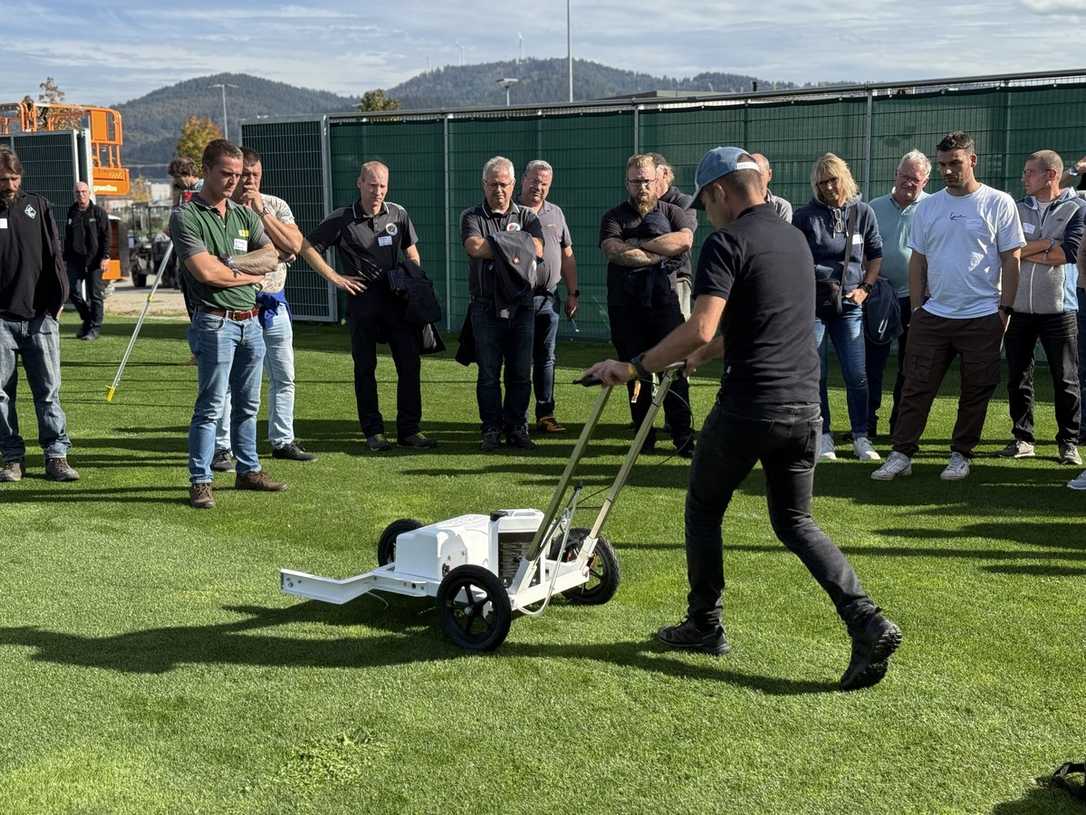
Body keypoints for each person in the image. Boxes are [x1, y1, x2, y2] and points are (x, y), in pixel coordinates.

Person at [582, 146, 901, 691]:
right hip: (803, 406)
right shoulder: (794, 238)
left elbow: (702, 325)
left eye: (706, 203)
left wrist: (634, 365)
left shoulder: (726, 242)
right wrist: (700, 356)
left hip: (751, 402)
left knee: (704, 507)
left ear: (721, 193)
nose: (707, 213)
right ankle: (867, 619)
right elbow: (755, 322)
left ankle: (705, 623)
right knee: (796, 522)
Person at [871, 131, 1024, 482]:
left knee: (976, 390)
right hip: (933, 315)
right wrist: (917, 310)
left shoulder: (999, 202)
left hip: (983, 315)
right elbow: (917, 262)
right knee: (915, 386)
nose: (948, 171)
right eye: (942, 165)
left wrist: (1006, 310)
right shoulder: (929, 206)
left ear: (972, 160)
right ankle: (901, 454)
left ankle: (960, 455)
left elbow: (1011, 259)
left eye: (954, 163)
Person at [169, 139, 286, 509]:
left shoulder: (244, 215)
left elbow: (271, 257)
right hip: (214, 322)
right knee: (211, 405)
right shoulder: (186, 216)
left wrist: (232, 264)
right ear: (206, 170)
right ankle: (201, 480)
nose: (234, 181)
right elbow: (204, 272)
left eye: (238, 175)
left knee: (248, 404)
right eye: (226, 174)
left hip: (251, 322)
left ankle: (248, 469)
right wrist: (246, 274)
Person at [302, 161, 436, 452]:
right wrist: (335, 277)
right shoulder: (341, 218)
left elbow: (412, 251)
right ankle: (373, 432)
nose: (378, 191)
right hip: (362, 303)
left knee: (410, 366)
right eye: (372, 185)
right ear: (359, 184)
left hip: (399, 304)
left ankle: (409, 431)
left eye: (383, 186)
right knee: (365, 368)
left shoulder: (398, 213)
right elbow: (307, 246)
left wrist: (410, 275)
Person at [209, 148, 316, 467]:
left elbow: (294, 245)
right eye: (245, 175)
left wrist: (262, 212)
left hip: (274, 304)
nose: (250, 181)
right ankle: (221, 446)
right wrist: (273, 254)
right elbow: (221, 260)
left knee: (284, 375)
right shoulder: (222, 211)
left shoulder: (276, 206)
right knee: (229, 381)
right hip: (236, 305)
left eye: (256, 175)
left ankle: (282, 439)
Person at [599, 154, 695, 456]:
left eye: (647, 180)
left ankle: (683, 439)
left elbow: (683, 241)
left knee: (674, 372)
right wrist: (656, 252)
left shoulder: (674, 211)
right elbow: (613, 250)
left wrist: (637, 245)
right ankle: (644, 439)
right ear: (627, 183)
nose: (642, 186)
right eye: (636, 181)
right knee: (634, 373)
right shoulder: (614, 217)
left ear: (658, 180)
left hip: (664, 305)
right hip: (626, 308)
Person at [792, 153, 884, 462]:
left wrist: (865, 289)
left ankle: (861, 436)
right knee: (815, 373)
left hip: (851, 303)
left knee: (856, 373)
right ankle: (824, 436)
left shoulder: (864, 212)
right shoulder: (804, 216)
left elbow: (875, 255)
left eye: (833, 180)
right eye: (822, 183)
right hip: (815, 304)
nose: (829, 187)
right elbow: (797, 260)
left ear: (843, 177)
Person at [0, 148, 80, 483]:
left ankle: (56, 455)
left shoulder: (38, 205)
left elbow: (54, 254)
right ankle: (12, 458)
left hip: (39, 317)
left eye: (15, 178)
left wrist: (58, 299)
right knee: (1, 394)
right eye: (4, 179)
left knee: (48, 391)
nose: (10, 185)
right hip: (1, 320)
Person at [999, 150, 1083, 466]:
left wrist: (1028, 251)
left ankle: (1068, 443)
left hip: (1060, 309)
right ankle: (1023, 439)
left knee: (1066, 379)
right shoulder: (1016, 208)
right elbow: (1008, 249)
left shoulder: (1077, 208)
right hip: (1018, 307)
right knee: (1018, 375)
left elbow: (1070, 252)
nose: (1024, 178)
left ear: (1051, 175)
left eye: (1030, 172)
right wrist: (1048, 243)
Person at [461, 156, 545, 452]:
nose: (499, 190)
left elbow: (537, 248)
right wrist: (515, 244)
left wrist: (496, 243)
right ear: (484, 184)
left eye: (504, 184)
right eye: (493, 184)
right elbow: (474, 247)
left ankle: (517, 428)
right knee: (488, 373)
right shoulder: (472, 216)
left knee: (521, 372)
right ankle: (491, 430)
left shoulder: (528, 217)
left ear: (513, 185)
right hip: (485, 306)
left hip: (522, 306)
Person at [865, 150, 931, 438]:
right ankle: (865, 424)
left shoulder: (934, 207)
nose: (908, 183)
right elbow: (861, 250)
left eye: (915, 179)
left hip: (918, 299)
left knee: (910, 366)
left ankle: (899, 426)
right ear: (895, 174)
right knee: (872, 364)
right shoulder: (873, 208)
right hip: (878, 297)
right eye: (904, 176)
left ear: (925, 180)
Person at [519, 160, 578, 434]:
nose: (538, 187)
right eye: (534, 181)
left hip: (549, 298)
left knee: (547, 358)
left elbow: (567, 255)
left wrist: (572, 292)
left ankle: (546, 414)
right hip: (518, 299)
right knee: (519, 358)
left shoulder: (556, 213)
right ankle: (516, 417)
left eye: (544, 183)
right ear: (523, 181)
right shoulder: (512, 212)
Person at [650, 153, 697, 318]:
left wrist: (639, 243)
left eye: (651, 175)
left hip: (677, 278)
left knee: (678, 331)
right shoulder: (638, 204)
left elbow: (681, 241)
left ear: (664, 173)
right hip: (643, 277)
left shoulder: (683, 202)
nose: (645, 183)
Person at [63, 181, 110, 341]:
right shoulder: (72, 212)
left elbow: (106, 237)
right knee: (72, 291)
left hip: (95, 261)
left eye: (83, 191)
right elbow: (68, 238)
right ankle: (88, 319)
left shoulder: (98, 212)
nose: (81, 195)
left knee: (95, 295)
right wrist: (65, 258)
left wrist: (105, 257)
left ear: (89, 193)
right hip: (75, 261)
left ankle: (94, 329)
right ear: (74, 194)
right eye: (77, 192)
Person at [750, 153, 793, 222]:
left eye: (759, 174)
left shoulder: (781, 207)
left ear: (769, 175)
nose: (754, 179)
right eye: (750, 175)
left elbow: (784, 232)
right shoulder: (737, 206)